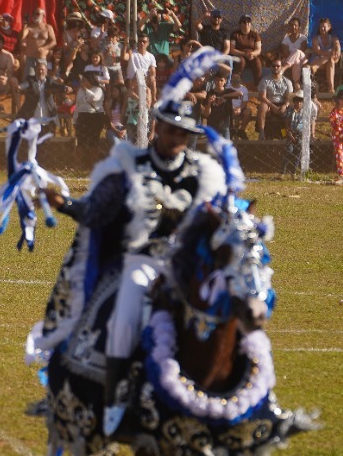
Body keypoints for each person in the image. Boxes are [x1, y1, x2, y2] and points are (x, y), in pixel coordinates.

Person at [44, 92, 223, 433]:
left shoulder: (201, 173)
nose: (176, 139)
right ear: (157, 128)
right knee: (126, 315)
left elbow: (216, 216)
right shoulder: (130, 166)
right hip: (142, 260)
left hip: (185, 264)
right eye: (171, 131)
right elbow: (97, 210)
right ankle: (112, 399)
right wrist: (65, 203)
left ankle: (218, 388)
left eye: (183, 134)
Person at [258, 54, 293, 139]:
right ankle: (261, 132)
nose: (276, 68)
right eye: (273, 66)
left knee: (291, 109)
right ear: (271, 67)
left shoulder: (287, 82)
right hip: (269, 103)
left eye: (278, 66)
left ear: (281, 67)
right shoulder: (265, 80)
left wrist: (285, 106)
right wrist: (272, 106)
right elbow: (262, 97)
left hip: (282, 104)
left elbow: (289, 98)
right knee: (262, 106)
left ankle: (287, 133)